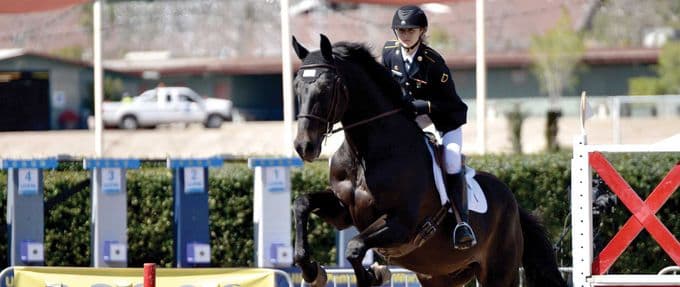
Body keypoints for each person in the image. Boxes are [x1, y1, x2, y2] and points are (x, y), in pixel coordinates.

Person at [382, 5, 474, 250]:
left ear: (422, 31)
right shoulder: (389, 53)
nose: (405, 34)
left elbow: (448, 103)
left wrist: (421, 106)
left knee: (452, 160)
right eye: (400, 30)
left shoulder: (434, 62)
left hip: (444, 119)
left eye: (411, 30)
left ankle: (461, 223)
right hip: (412, 119)